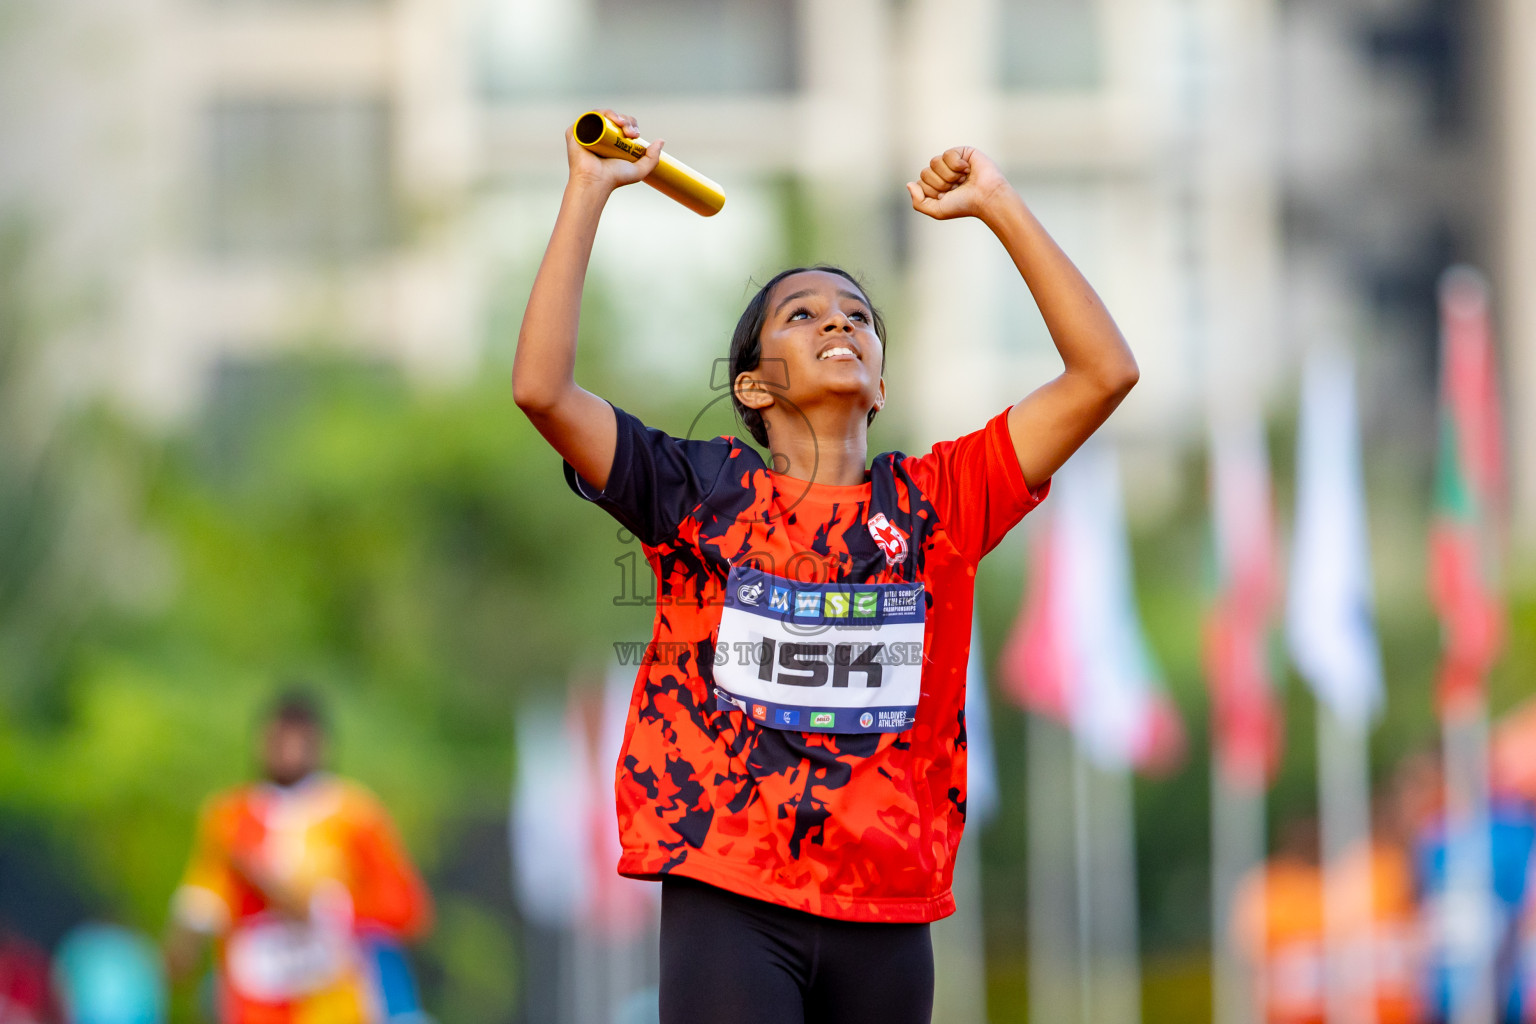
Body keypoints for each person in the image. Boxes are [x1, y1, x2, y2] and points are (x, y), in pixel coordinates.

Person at [513, 109, 1139, 1024]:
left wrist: (998, 203)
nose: (836, 324)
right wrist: (588, 190)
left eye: (856, 318)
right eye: (801, 316)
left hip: (888, 909)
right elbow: (542, 390)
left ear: (880, 383)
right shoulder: (699, 492)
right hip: (729, 892)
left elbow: (1104, 374)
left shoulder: (939, 507)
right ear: (754, 388)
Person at [164, 692, 432, 1024]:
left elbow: (405, 907)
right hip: (254, 1001)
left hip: (337, 1000)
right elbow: (206, 894)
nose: (288, 751)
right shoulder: (232, 816)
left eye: (299, 739)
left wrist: (321, 908)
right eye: (279, 739)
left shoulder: (354, 814)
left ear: (320, 743)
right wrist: (185, 939)